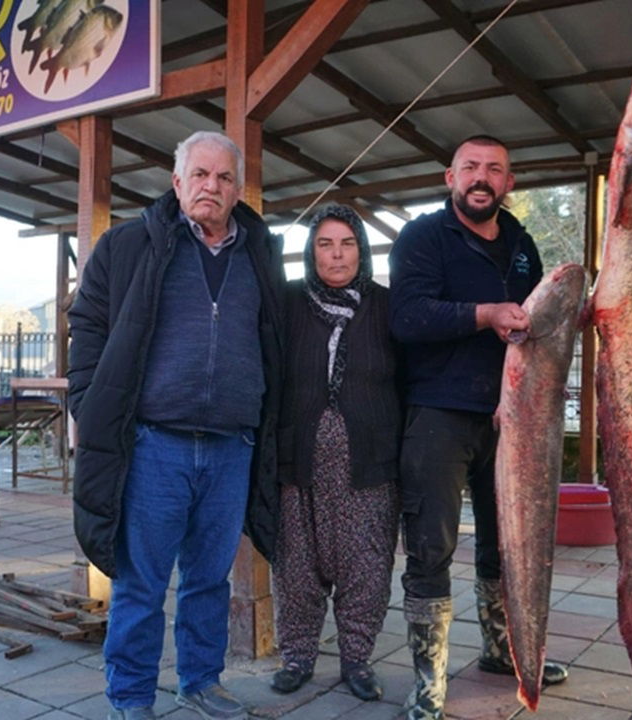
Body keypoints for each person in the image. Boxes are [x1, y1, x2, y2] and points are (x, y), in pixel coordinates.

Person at [67, 130, 285, 720]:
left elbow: (276, 339)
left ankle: (201, 680)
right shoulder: (130, 245)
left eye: (223, 178)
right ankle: (132, 696)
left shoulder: (258, 254)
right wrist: (88, 403)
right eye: (200, 175)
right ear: (177, 182)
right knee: (140, 581)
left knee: (210, 579)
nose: (210, 187)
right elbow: (86, 323)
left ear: (239, 190)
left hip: (230, 446)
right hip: (154, 444)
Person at [389, 134, 569, 720]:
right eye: (470, 167)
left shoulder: (521, 244)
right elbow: (408, 317)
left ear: (509, 183)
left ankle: (502, 650)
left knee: (508, 543)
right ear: (450, 177)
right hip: (438, 413)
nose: (481, 177)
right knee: (431, 546)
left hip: (511, 419)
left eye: (494, 168)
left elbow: (540, 325)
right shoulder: (423, 236)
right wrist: (484, 315)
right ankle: (428, 680)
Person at [268, 204, 400, 702]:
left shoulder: (386, 307)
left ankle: (357, 660)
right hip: (298, 458)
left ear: (361, 250)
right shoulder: (287, 303)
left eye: (346, 243)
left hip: (368, 461)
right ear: (311, 252)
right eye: (325, 243)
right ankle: (298, 656)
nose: (336, 253)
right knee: (297, 564)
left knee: (365, 565)